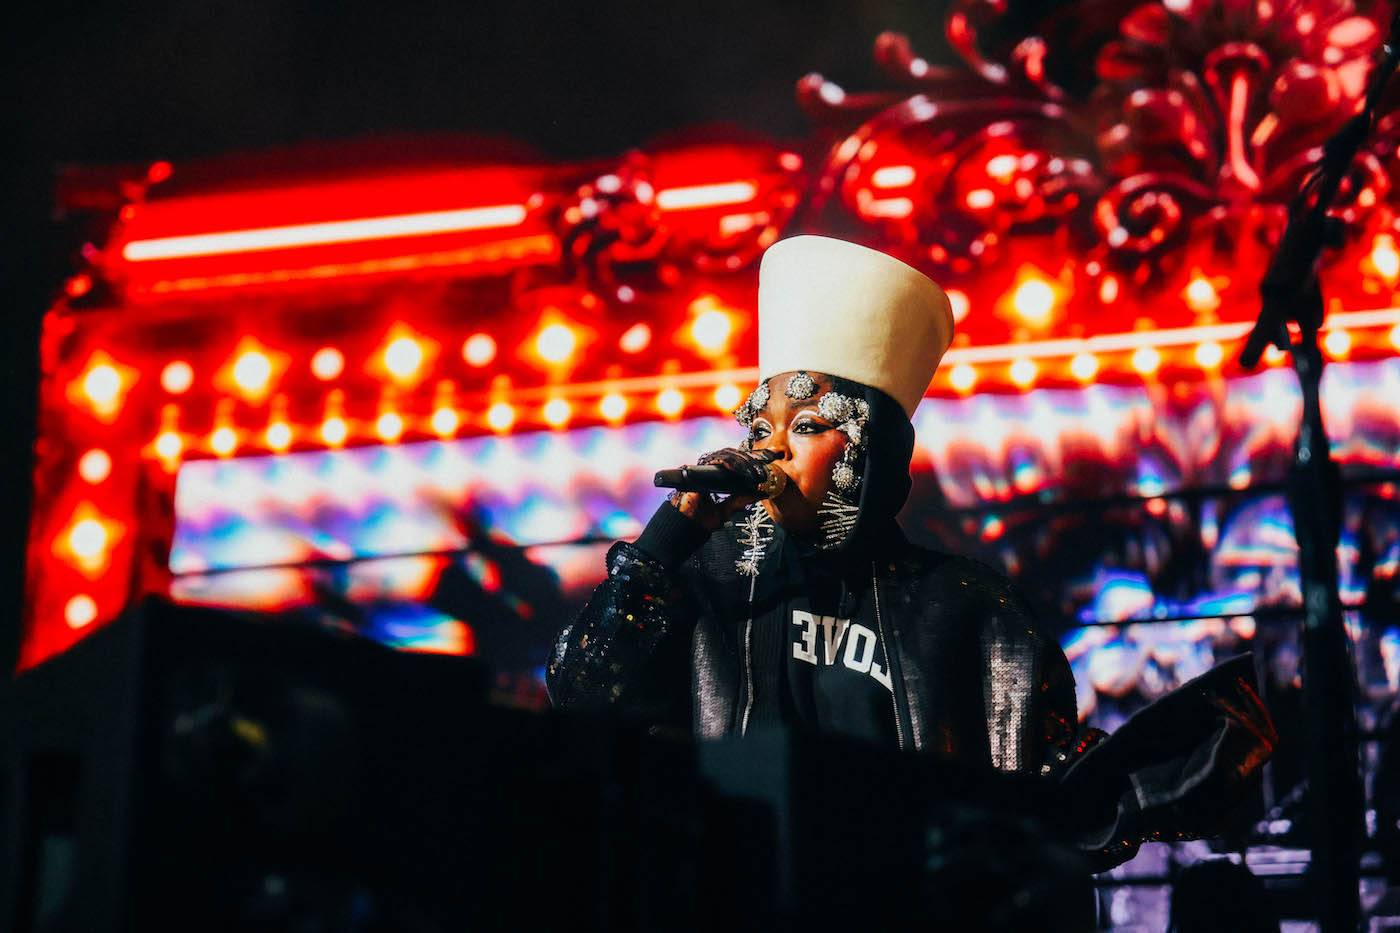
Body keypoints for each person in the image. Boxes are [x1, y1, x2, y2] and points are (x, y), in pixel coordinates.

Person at [547, 234, 1276, 868]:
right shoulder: (707, 583)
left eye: (807, 424)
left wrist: (1163, 772)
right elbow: (580, 695)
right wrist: (666, 541)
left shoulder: (968, 608)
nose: (770, 447)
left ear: (868, 451)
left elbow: (1040, 789)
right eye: (760, 426)